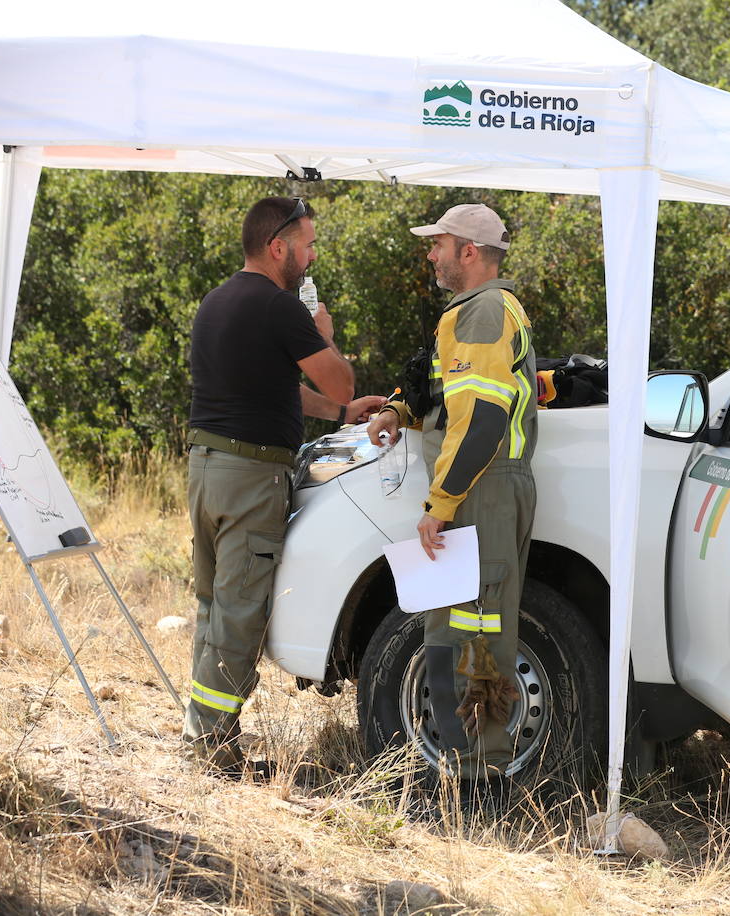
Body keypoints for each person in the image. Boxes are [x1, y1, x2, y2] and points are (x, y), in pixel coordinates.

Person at [185, 196, 385, 774]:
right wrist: (325, 336)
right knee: (241, 613)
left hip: (206, 469)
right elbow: (340, 378)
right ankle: (211, 745)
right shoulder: (281, 307)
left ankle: (203, 728)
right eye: (308, 245)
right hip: (252, 476)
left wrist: (339, 414)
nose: (312, 255)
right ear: (278, 248)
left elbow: (280, 389)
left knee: (214, 606)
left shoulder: (217, 301)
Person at [368, 203, 537, 782]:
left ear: (468, 251)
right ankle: (466, 771)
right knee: (454, 630)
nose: (431, 255)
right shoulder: (480, 310)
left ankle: (480, 780)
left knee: (473, 634)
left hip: (481, 491)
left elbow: (483, 421)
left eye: (438, 244)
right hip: (481, 488)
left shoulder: (484, 311)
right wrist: (400, 410)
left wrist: (441, 505)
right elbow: (452, 401)